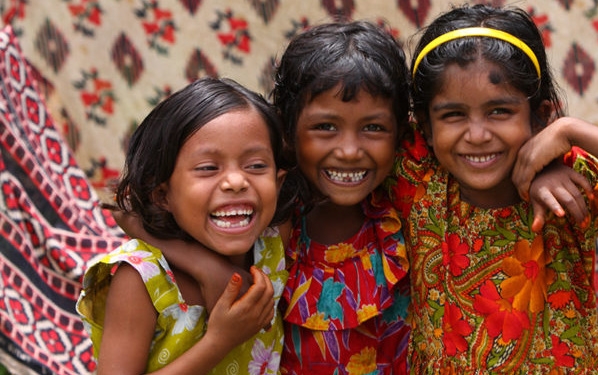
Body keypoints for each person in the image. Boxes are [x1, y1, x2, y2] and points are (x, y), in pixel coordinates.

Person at [392, 4, 598, 374]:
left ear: (540, 114)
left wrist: (570, 131)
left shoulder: (570, 188)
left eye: (499, 112)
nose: (477, 135)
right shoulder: (417, 178)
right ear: (425, 125)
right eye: (453, 115)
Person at [75, 77, 290, 375]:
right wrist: (219, 341)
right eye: (208, 168)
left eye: (255, 166)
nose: (237, 182)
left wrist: (205, 266)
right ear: (163, 195)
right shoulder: (142, 280)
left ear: (278, 184)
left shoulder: (272, 246)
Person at [270, 20, 412, 374]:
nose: (349, 151)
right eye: (325, 127)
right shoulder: (267, 224)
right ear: (287, 130)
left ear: (401, 134)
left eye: (373, 128)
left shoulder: (414, 214)